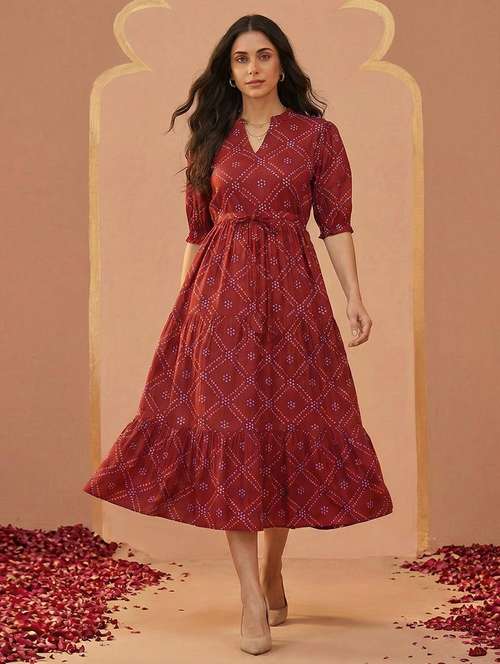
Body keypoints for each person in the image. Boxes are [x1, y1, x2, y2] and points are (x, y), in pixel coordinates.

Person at [83, 13, 394, 656]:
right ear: (229, 71)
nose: (253, 68)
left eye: (264, 56)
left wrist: (355, 297)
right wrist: (183, 310)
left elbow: (336, 223)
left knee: (283, 434)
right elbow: (198, 232)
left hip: (294, 300)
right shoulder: (210, 137)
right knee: (236, 434)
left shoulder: (317, 136)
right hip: (221, 302)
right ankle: (252, 597)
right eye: (241, 59)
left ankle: (274, 570)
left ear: (282, 63)